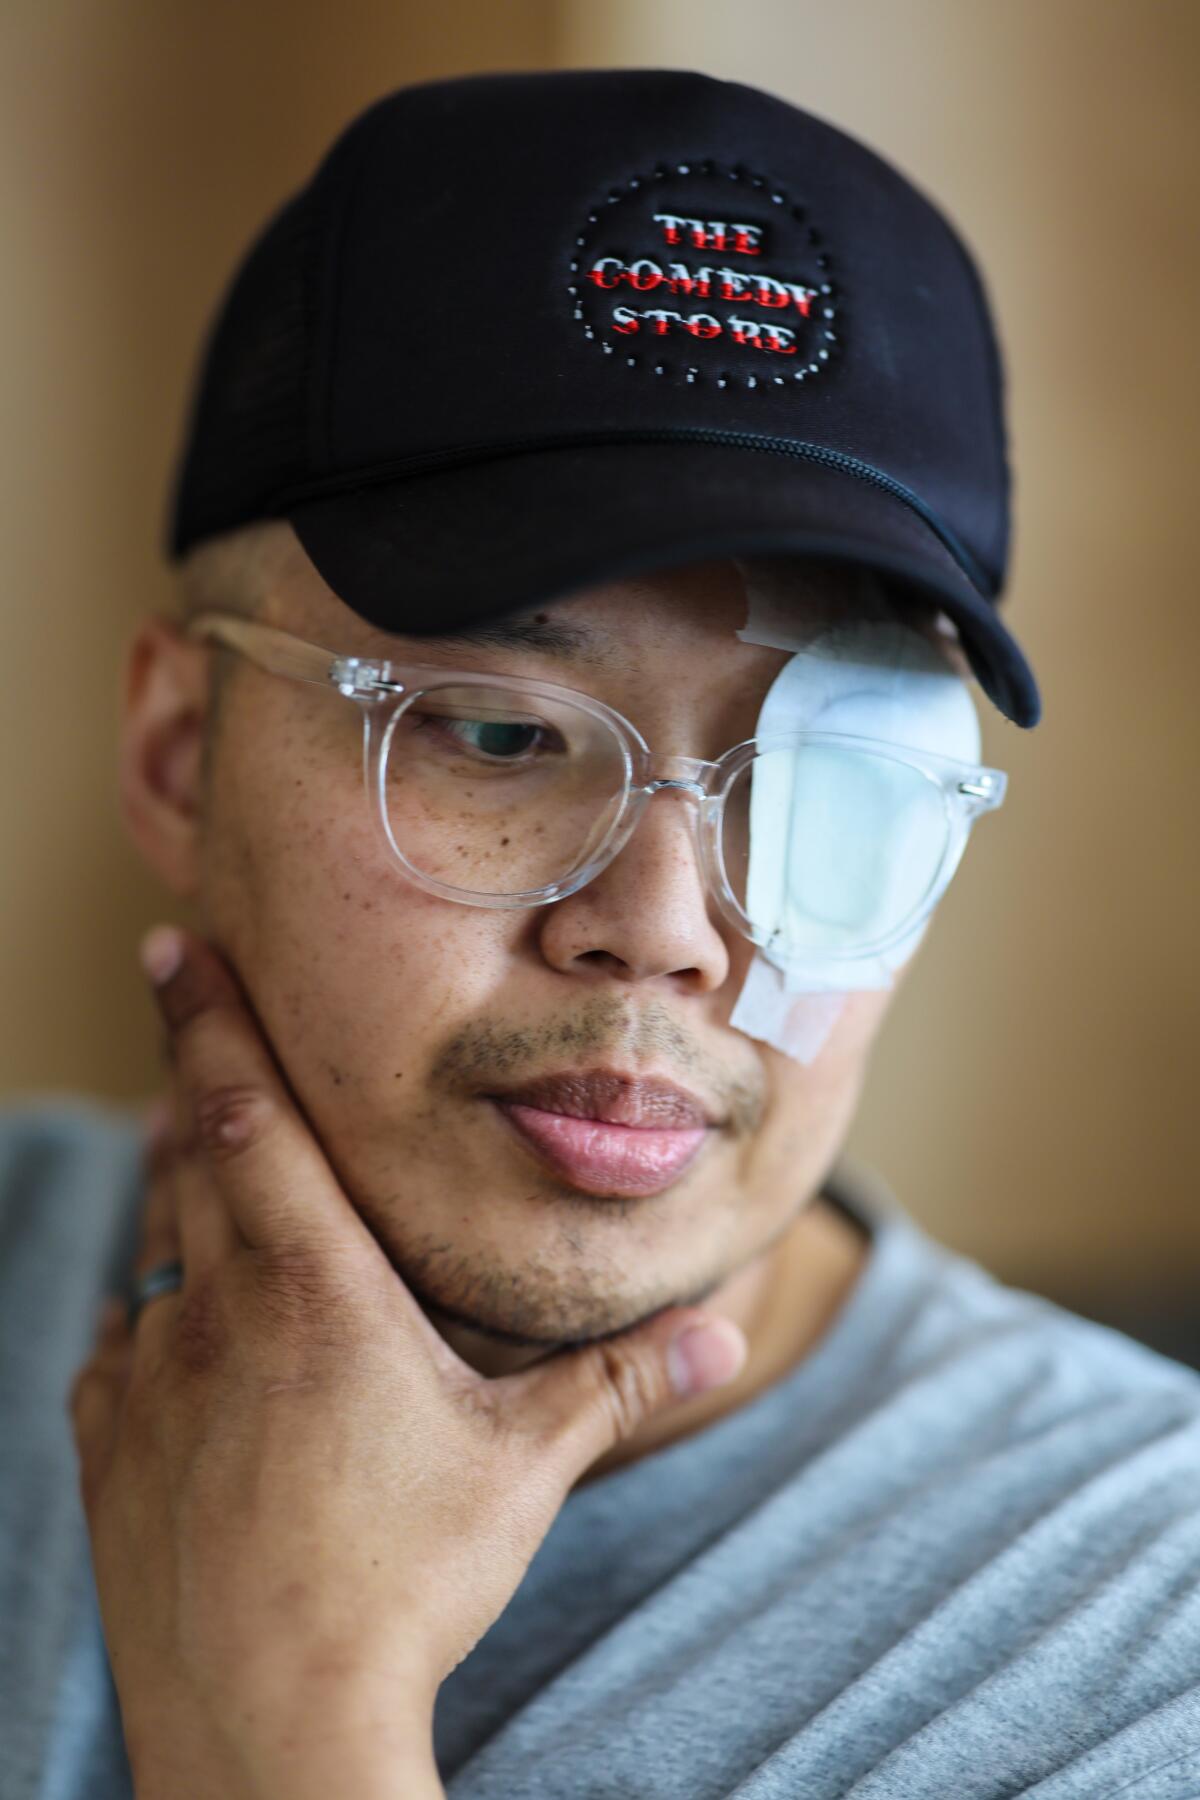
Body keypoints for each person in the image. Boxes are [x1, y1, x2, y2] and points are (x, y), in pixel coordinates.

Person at [2, 67, 1197, 1800]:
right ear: (177, 756)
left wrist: (288, 1727)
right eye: (498, 732)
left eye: (834, 774)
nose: (661, 933)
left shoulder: (1139, 1643)